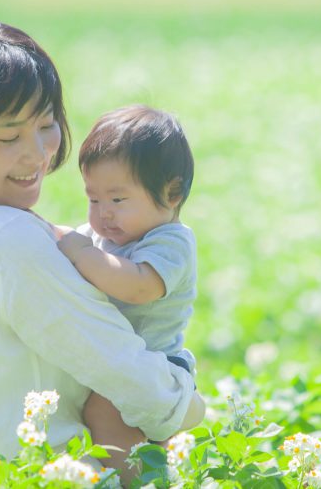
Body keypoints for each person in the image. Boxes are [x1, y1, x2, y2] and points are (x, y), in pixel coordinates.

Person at [0, 20, 204, 477]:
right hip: (56, 471)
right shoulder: (9, 237)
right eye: (7, 136)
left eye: (46, 124)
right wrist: (189, 408)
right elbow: (114, 361)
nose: (36, 153)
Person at [56, 105, 198, 470]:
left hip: (158, 365)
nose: (104, 213)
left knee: (105, 408)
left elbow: (138, 287)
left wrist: (83, 254)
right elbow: (72, 247)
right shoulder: (102, 237)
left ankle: (130, 480)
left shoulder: (171, 242)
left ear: (172, 193)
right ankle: (150, 471)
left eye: (117, 200)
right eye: (93, 199)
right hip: (125, 361)